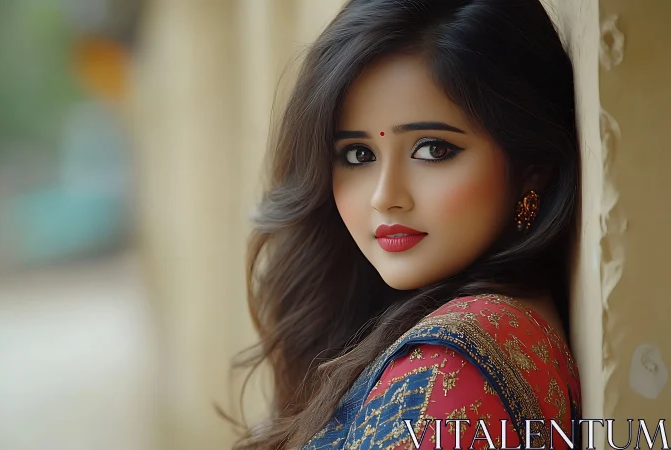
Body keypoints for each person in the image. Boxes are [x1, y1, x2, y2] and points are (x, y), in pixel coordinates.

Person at [233, 0, 581, 448]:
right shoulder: (505, 328)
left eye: (433, 149)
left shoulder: (446, 373)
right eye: (358, 154)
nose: (384, 197)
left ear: (532, 168)